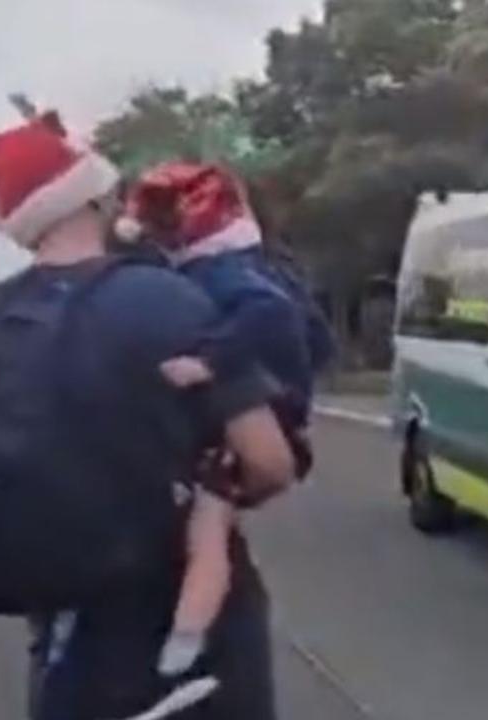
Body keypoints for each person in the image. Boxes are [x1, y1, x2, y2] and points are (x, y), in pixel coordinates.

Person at [0, 110, 295, 720]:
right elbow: (269, 461)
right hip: (177, 611)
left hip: (63, 622)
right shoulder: (162, 298)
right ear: (94, 194)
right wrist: (218, 494)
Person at [117, 164, 329, 679]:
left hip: (269, 413)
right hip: (283, 408)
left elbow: (270, 316)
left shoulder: (220, 274)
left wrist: (210, 362)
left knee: (207, 529)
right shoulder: (261, 265)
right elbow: (318, 338)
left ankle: (186, 639)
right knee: (211, 522)